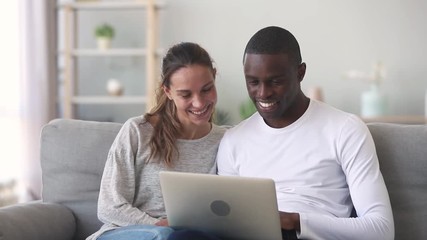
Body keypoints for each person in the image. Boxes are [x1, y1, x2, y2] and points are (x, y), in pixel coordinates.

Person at [168, 26, 394, 240]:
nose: (263, 93)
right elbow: (228, 221)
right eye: (253, 82)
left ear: (300, 72)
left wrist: (294, 221)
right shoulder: (234, 140)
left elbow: (380, 229)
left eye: (275, 81)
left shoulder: (345, 129)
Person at [86, 42, 227, 240]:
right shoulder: (138, 131)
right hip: (128, 233)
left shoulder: (225, 141)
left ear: (214, 76)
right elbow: (109, 207)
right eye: (185, 94)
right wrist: (162, 225)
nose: (199, 102)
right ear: (168, 92)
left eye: (206, 89)